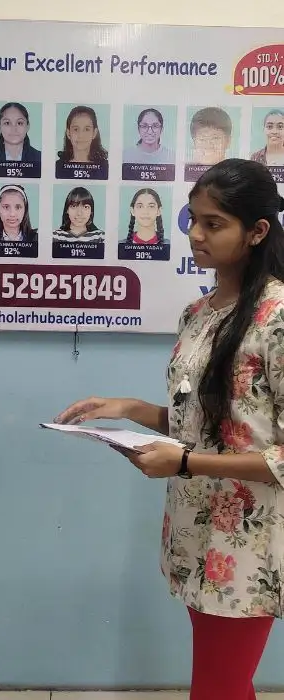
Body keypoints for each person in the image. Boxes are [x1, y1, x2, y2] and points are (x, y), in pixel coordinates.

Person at [55, 158, 284, 700]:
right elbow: (206, 424)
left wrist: (183, 462)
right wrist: (132, 409)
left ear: (257, 231)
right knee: (223, 683)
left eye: (214, 224)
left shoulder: (277, 318)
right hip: (194, 528)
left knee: (218, 686)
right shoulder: (200, 311)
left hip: (251, 537)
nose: (196, 235)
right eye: (193, 219)